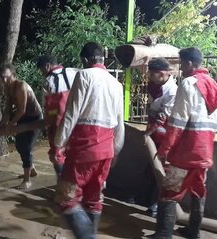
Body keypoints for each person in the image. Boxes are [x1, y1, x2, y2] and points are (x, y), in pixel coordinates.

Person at [148, 47, 217, 239]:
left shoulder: (188, 84)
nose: (181, 68)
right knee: (198, 191)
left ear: (190, 63)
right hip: (205, 151)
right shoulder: (214, 85)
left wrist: (165, 149)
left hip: (185, 151)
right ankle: (194, 231)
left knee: (169, 191)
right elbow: (215, 124)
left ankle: (164, 234)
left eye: (182, 63)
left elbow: (177, 122)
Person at [54, 42, 125, 239]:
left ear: (85, 60)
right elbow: (120, 123)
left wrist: (58, 143)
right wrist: (116, 150)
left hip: (84, 147)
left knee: (66, 197)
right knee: (94, 199)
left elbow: (71, 113)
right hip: (106, 150)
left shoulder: (83, 76)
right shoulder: (116, 84)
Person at [0, 64, 43, 191]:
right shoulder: (8, 89)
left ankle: (27, 180)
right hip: (22, 117)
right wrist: (1, 125)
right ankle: (31, 170)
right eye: (2, 78)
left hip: (35, 118)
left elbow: (21, 110)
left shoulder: (21, 86)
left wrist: (9, 126)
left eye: (7, 77)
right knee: (18, 145)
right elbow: (7, 110)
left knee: (27, 147)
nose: (5, 80)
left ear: (14, 75)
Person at [143, 57, 178, 218]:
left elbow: (162, 117)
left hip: (164, 135)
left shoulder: (172, 91)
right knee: (150, 167)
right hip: (154, 133)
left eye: (151, 74)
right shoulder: (156, 85)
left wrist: (148, 133)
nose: (149, 77)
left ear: (162, 74)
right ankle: (147, 200)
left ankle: (156, 205)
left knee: (161, 170)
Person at [37, 55, 78, 178]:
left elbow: (46, 107)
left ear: (47, 66)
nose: (42, 73)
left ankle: (61, 182)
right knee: (74, 152)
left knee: (57, 154)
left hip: (58, 124)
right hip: (76, 121)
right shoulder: (73, 72)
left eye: (41, 70)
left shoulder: (48, 81)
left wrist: (46, 126)